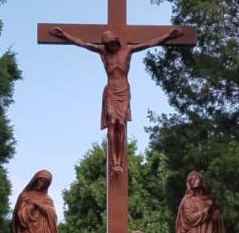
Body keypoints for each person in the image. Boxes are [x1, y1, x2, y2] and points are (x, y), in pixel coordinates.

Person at [50, 26, 182, 175]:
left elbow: (150, 43)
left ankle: (119, 160)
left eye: (111, 44)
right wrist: (63, 35)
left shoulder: (128, 50)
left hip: (123, 92)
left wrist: (168, 36)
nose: (109, 47)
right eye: (107, 45)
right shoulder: (102, 51)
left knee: (121, 123)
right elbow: (81, 43)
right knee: (112, 123)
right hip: (111, 92)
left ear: (116, 42)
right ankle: (115, 161)